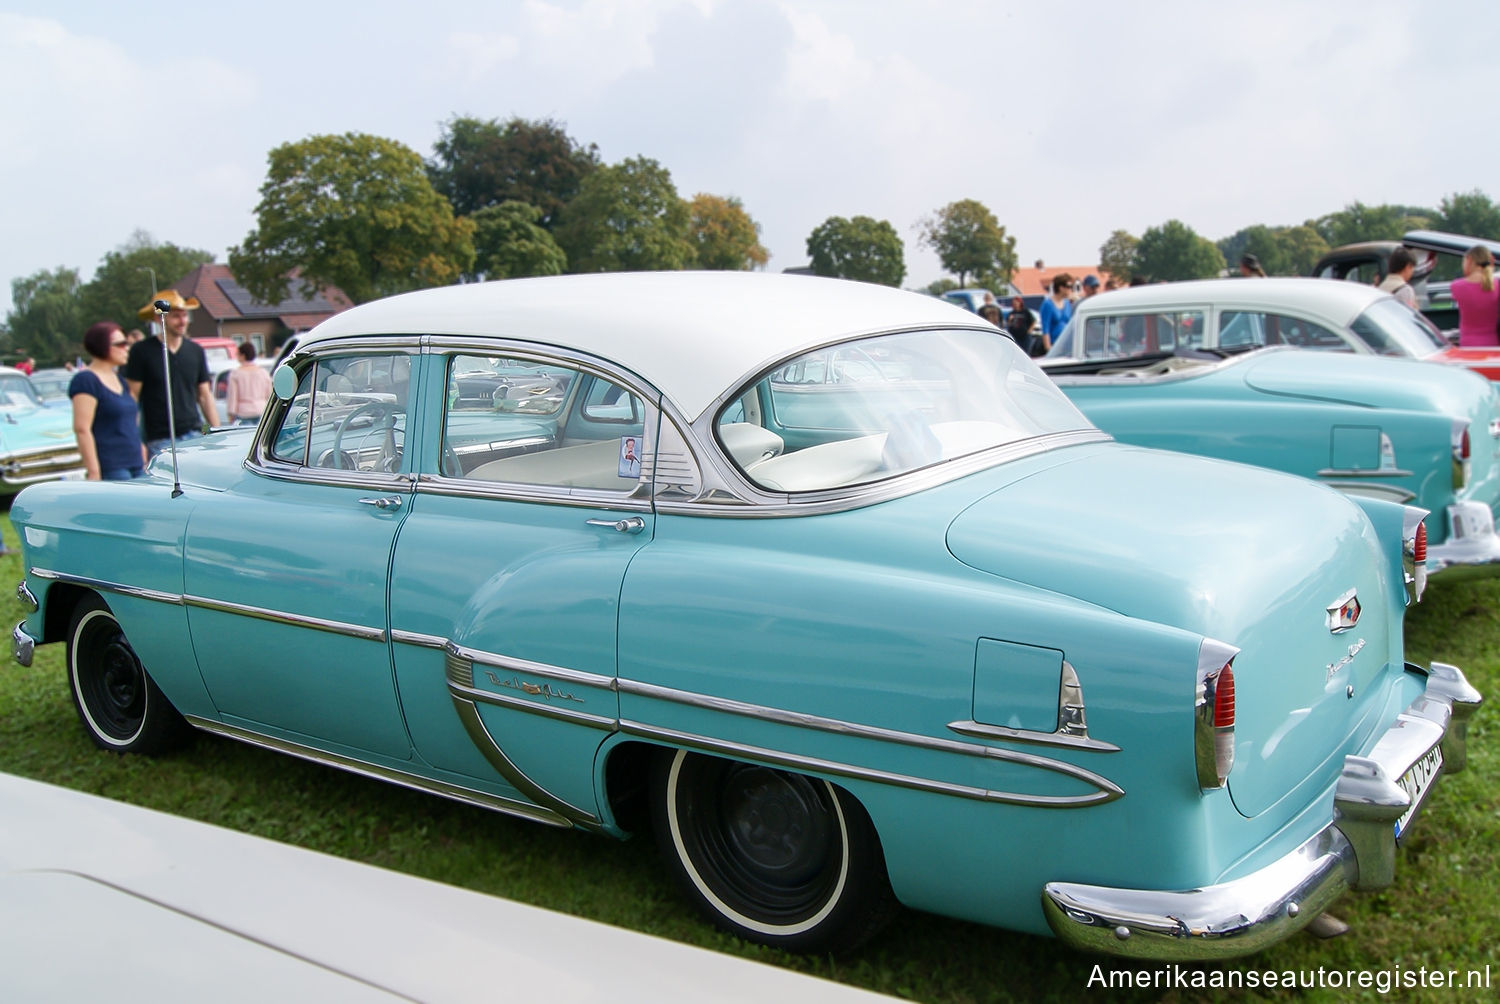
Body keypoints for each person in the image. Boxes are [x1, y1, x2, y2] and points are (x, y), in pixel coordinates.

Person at [126, 289, 218, 458]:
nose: (182, 321)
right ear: (158, 318)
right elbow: (132, 397)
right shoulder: (141, 351)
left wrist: (216, 432)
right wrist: (134, 439)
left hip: (195, 434)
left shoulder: (195, 351)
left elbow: (204, 395)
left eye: (184, 316)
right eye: (176, 316)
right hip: (160, 439)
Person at [70, 321, 147, 481]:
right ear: (102, 346)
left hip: (136, 463)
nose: (126, 348)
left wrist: (142, 452)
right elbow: (82, 429)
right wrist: (94, 472)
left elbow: (130, 421)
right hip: (112, 466)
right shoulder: (86, 380)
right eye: (121, 344)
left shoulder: (120, 381)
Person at [1450, 244, 1500, 347]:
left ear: (1469, 260)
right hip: (1493, 342)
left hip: (1468, 343)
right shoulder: (1497, 285)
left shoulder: (1456, 286)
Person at [225, 341, 272, 425]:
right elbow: (269, 393)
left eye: (238, 354)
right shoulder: (263, 372)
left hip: (243, 411)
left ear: (243, 355)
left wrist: (231, 414)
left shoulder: (235, 374)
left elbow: (232, 396)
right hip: (261, 409)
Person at [1038, 274, 1075, 353]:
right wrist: (1048, 348)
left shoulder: (1067, 303)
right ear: (1061, 287)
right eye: (1069, 287)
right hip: (1053, 344)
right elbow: (1045, 328)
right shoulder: (1048, 304)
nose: (1071, 289)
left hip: (1066, 344)